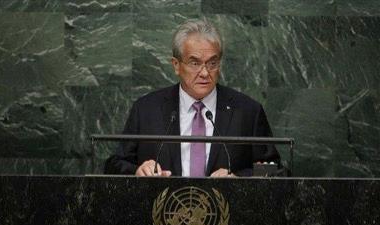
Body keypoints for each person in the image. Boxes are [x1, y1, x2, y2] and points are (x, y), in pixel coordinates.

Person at [104, 18, 280, 177]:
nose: (204, 73)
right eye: (195, 63)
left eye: (212, 63)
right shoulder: (146, 110)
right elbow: (114, 165)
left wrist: (238, 178)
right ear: (176, 65)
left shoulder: (248, 112)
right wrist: (137, 170)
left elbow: (276, 170)